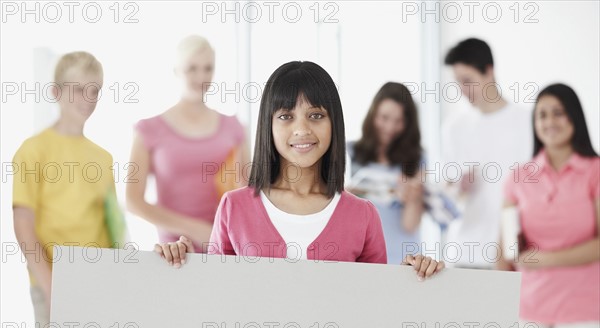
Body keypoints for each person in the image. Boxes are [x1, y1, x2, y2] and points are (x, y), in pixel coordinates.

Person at [154, 61, 445, 280]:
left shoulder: (363, 215)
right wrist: (184, 266)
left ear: (335, 124)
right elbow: (216, 293)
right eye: (286, 116)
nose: (302, 129)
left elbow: (373, 306)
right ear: (268, 125)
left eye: (316, 115)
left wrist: (409, 278)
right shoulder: (234, 207)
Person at [12, 51, 117, 328]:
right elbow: (23, 226)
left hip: (98, 284)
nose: (87, 98)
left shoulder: (103, 158)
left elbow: (112, 228)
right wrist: (51, 286)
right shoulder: (33, 150)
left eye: (94, 90)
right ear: (56, 92)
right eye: (77, 89)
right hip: (52, 284)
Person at [498, 84, 599, 328]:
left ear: (574, 118)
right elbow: (504, 249)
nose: (549, 121)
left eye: (558, 112)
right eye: (542, 115)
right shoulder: (518, 176)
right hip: (529, 305)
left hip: (582, 306)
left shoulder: (595, 172)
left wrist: (545, 259)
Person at [126, 35, 249, 253]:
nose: (201, 76)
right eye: (192, 68)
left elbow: (246, 191)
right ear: (176, 70)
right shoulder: (149, 129)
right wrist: (196, 230)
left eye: (208, 68)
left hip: (224, 248)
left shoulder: (234, 128)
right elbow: (133, 201)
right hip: (172, 253)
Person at [442, 38, 532, 268]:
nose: (462, 90)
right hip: (463, 252)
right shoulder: (455, 127)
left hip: (510, 254)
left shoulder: (527, 122)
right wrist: (457, 188)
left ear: (489, 71)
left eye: (467, 81)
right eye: (458, 83)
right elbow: (448, 195)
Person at [347, 82, 424, 264]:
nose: (390, 127)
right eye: (384, 118)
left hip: (404, 258)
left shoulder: (417, 159)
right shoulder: (350, 152)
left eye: (398, 121)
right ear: (373, 114)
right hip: (363, 256)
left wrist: (413, 198)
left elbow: (410, 225)